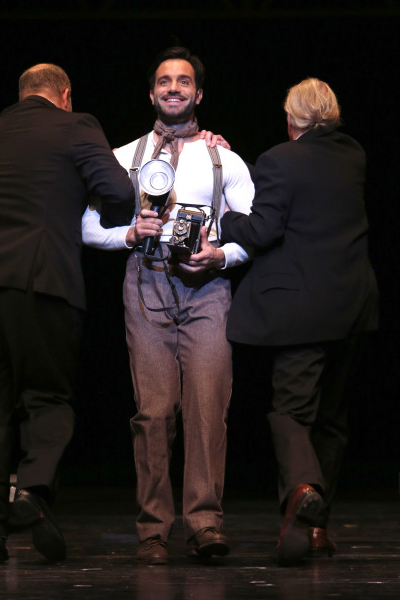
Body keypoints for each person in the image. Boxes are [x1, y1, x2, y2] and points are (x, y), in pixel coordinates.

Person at [0, 63, 135, 564]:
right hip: (38, 280)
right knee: (48, 398)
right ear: (64, 95)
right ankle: (32, 490)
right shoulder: (76, 125)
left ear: (24, 95)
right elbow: (118, 193)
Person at [82, 46, 254, 564]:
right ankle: (154, 530)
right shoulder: (122, 157)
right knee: (153, 413)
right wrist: (130, 233)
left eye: (183, 81)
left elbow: (253, 228)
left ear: (198, 94)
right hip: (146, 284)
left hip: (207, 291)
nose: (173, 88)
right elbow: (88, 226)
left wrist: (221, 255)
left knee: (208, 410)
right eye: (164, 81)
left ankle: (204, 524)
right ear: (151, 92)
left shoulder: (224, 156)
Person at [220, 77, 379, 566]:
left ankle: (303, 489)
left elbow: (263, 230)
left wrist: (227, 220)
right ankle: (316, 529)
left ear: (291, 120)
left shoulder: (279, 159)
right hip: (352, 307)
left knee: (290, 413)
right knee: (331, 421)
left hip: (301, 313)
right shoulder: (354, 155)